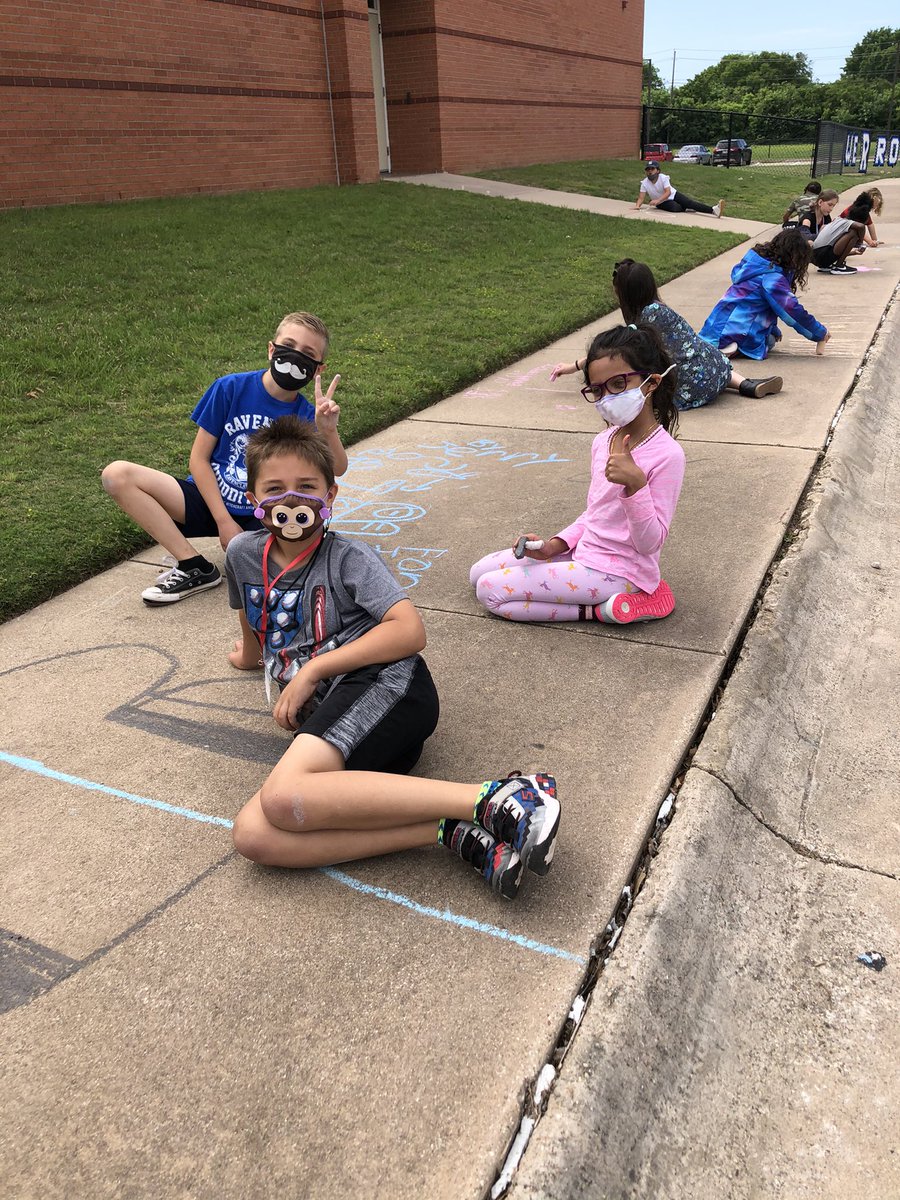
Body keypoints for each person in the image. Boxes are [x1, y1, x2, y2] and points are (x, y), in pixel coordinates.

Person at [226, 416, 560, 899]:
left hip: (385, 688)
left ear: (330, 496)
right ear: (254, 500)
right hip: (343, 721)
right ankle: (452, 831)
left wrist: (313, 670)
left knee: (280, 799)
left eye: (306, 487)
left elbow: (410, 631)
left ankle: (504, 797)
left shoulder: (348, 557)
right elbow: (252, 617)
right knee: (254, 837)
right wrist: (250, 657)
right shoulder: (242, 552)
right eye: (274, 489)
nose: (290, 501)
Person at [102, 311, 348, 605]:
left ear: (318, 369)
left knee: (297, 557)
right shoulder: (230, 388)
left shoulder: (308, 414)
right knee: (117, 475)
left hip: (264, 514)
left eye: (307, 353)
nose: (295, 357)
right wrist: (223, 521)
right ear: (272, 349)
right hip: (209, 501)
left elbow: (337, 468)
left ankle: (254, 549)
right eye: (289, 345)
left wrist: (327, 430)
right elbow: (199, 460)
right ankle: (193, 565)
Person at [472, 325, 684, 626]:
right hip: (584, 553)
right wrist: (553, 547)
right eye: (597, 390)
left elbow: (650, 544)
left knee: (489, 591)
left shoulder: (667, 455)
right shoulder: (603, 441)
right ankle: (595, 594)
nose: (606, 397)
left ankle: (608, 608)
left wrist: (636, 486)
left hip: (622, 571)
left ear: (650, 383)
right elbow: (596, 513)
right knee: (477, 573)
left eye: (619, 384)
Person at [550, 259, 782, 406]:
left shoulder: (642, 321)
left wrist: (572, 366)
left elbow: (610, 352)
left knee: (644, 378)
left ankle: (741, 386)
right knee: (708, 360)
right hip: (716, 370)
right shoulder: (659, 309)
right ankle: (746, 385)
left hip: (689, 388)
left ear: (624, 294)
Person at [699, 229, 829, 359]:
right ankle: (734, 347)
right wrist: (819, 333)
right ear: (793, 257)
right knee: (769, 341)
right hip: (733, 333)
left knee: (772, 335)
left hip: (712, 329)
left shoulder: (755, 264)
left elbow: (756, 307)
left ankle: (724, 344)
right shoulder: (771, 279)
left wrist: (772, 328)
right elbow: (792, 312)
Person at [634, 161, 726, 217]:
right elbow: (641, 197)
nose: (650, 171)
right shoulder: (644, 182)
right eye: (648, 170)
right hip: (662, 203)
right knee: (675, 207)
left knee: (690, 203)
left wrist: (657, 200)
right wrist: (637, 206)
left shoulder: (663, 178)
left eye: (652, 169)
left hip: (672, 195)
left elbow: (668, 192)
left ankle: (714, 210)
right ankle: (687, 208)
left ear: (657, 171)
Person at [812, 196, 873, 275]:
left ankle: (828, 266)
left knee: (851, 233)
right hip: (822, 256)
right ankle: (839, 266)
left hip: (818, 257)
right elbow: (861, 226)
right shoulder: (846, 223)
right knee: (853, 233)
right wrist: (860, 242)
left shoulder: (839, 220)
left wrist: (854, 252)